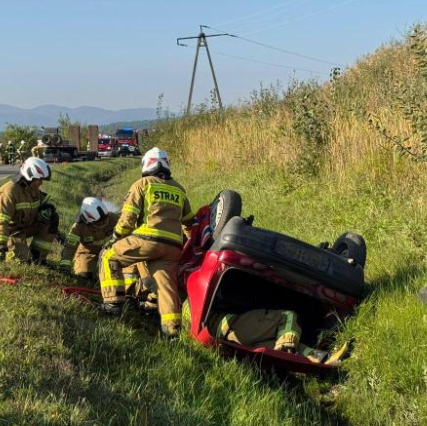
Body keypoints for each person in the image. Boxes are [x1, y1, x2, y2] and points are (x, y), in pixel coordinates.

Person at [99, 147, 195, 336]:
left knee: (108, 256)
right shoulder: (179, 189)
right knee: (166, 288)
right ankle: (172, 332)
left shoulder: (142, 184)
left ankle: (112, 304)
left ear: (147, 164)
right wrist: (191, 245)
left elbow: (128, 220)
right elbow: (189, 223)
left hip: (147, 239)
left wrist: (115, 238)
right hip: (173, 247)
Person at [208, 309, 349, 365]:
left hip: (226, 341)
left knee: (278, 347)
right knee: (287, 317)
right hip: (228, 323)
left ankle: (324, 359)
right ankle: (285, 349)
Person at [0, 157, 59, 263]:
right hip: (4, 231)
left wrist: (49, 208)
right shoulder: (9, 192)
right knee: (23, 259)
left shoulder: (32, 190)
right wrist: (1, 244)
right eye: (39, 179)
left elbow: (48, 200)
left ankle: (38, 258)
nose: (41, 183)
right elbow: (0, 221)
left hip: (21, 228)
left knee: (52, 218)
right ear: (29, 176)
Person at [59, 197, 119, 280]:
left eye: (105, 220)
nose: (104, 224)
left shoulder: (112, 218)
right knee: (85, 277)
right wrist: (64, 267)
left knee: (115, 273)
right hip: (87, 253)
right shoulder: (78, 227)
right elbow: (70, 247)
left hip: (109, 251)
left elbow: (126, 224)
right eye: (99, 223)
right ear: (88, 221)